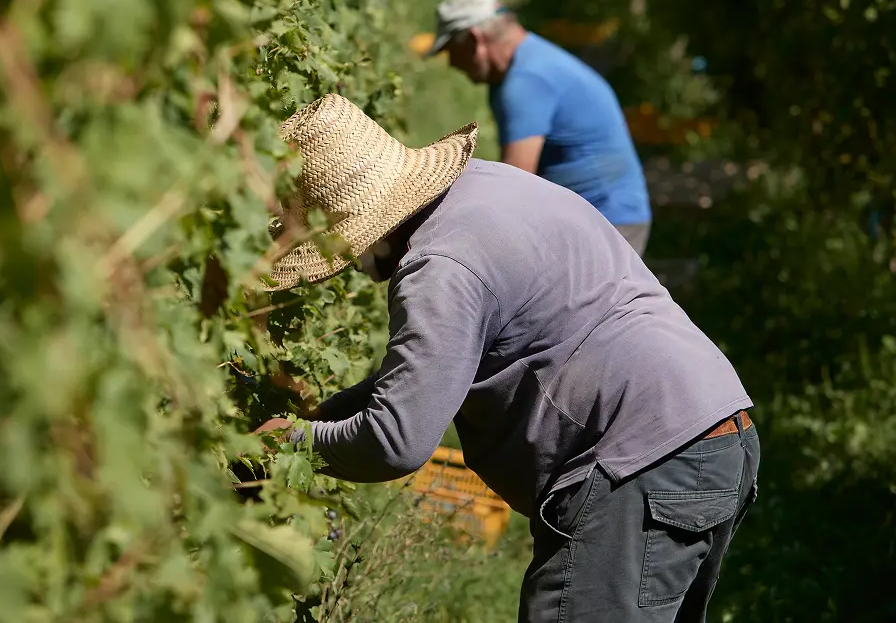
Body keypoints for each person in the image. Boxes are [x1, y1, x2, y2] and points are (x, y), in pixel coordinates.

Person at [259, 94, 759, 623]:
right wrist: (320, 421)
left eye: (340, 254)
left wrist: (290, 445)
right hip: (714, 434)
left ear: (360, 229)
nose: (351, 269)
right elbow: (426, 376)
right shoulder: (485, 187)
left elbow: (395, 442)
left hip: (639, 463)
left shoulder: (440, 269)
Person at [426, 0, 653, 256]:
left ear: (475, 40)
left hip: (608, 223)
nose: (452, 63)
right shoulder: (525, 64)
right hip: (601, 217)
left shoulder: (526, 82)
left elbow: (511, 189)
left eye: (452, 49)